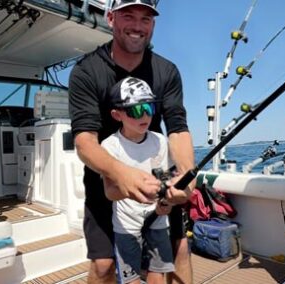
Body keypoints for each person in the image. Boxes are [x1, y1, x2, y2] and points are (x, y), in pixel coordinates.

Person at [68, 1, 195, 283]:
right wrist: (120, 173)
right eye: (128, 16)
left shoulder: (167, 71)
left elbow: (177, 128)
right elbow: (85, 141)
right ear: (111, 18)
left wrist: (186, 175)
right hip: (106, 175)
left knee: (179, 250)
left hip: (156, 174)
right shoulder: (86, 72)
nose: (138, 26)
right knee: (103, 265)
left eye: (146, 19)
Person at [102, 77, 174, 284]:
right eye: (135, 110)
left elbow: (164, 179)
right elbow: (110, 192)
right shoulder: (109, 147)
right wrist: (134, 189)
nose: (144, 114)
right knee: (131, 278)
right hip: (126, 224)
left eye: (148, 107)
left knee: (157, 273)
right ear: (117, 115)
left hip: (158, 219)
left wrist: (165, 203)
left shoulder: (160, 141)